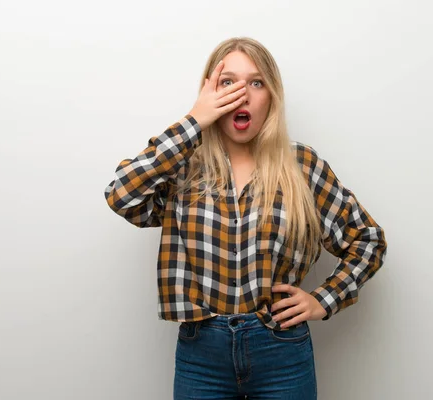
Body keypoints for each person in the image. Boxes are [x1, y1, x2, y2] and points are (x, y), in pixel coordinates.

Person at [104, 37, 388, 400]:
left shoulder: (301, 165)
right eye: (228, 82)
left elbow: (367, 240)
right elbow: (120, 195)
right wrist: (194, 122)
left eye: (256, 82)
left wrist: (325, 299)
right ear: (209, 94)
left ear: (272, 95)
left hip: (281, 350)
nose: (242, 94)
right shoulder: (182, 166)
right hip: (200, 354)